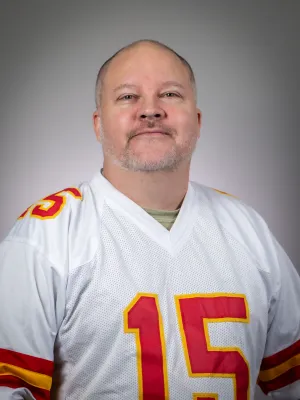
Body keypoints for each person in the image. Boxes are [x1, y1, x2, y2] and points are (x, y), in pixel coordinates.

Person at [0, 39, 299, 400]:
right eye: (128, 97)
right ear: (98, 125)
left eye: (170, 94)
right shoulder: (45, 236)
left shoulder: (249, 231)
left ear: (198, 121)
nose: (151, 110)